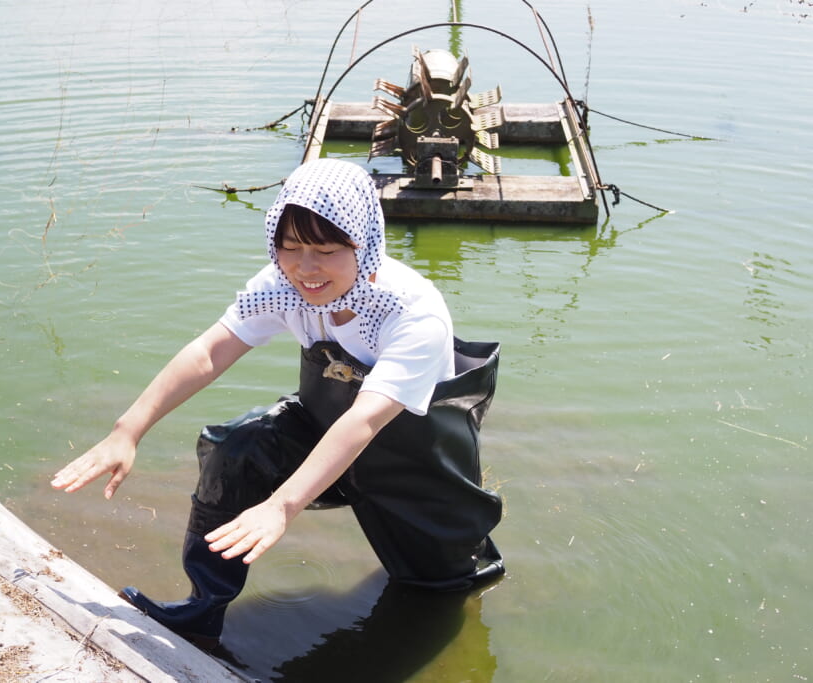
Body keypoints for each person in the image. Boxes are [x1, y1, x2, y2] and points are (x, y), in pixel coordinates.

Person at [51, 158, 505, 649]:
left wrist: (283, 506)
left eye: (325, 250)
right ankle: (202, 608)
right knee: (238, 449)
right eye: (291, 247)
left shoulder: (413, 313)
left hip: (414, 469)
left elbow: (365, 419)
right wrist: (128, 429)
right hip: (324, 432)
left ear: (364, 243)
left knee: (433, 596)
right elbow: (209, 351)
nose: (306, 268)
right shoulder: (284, 286)